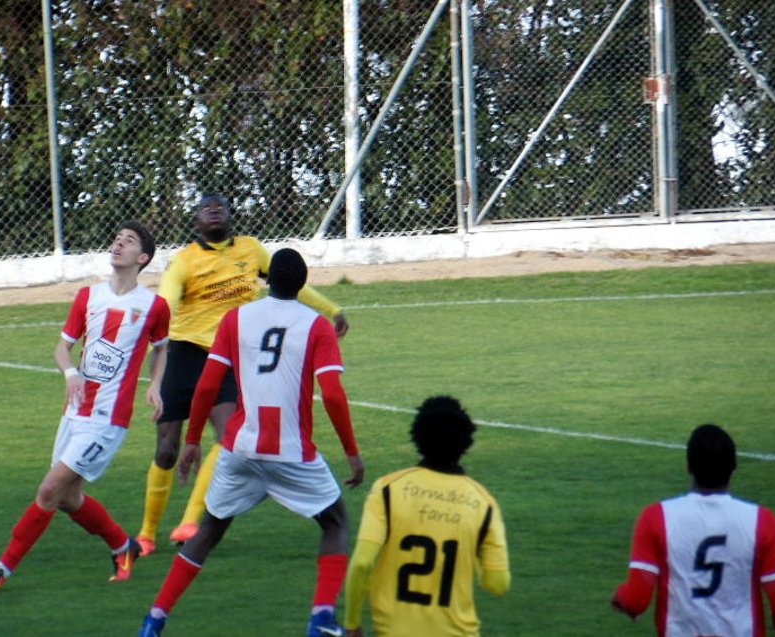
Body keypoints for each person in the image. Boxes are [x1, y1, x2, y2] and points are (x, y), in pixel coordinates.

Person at [138, 248, 364, 637]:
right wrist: (352, 453)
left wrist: (192, 440)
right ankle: (321, 620)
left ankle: (154, 620)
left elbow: (207, 385)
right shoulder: (316, 326)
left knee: (209, 531)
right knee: (336, 522)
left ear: (267, 280)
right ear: (302, 284)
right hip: (292, 453)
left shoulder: (236, 318)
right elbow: (332, 394)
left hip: (241, 448)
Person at [136, 193, 349, 556]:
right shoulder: (184, 261)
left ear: (231, 215)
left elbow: (291, 282)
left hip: (229, 359)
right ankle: (146, 533)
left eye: (220, 206)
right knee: (168, 450)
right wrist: (151, 326)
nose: (214, 211)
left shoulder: (251, 250)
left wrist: (332, 308)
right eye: (206, 208)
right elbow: (167, 301)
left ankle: (190, 522)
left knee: (227, 438)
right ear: (196, 221)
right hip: (184, 355)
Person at [0, 221, 171, 592]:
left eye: (128, 241)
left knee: (48, 491)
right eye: (116, 238)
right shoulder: (87, 296)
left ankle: (1, 570)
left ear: (142, 258)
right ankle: (122, 546)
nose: (118, 243)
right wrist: (70, 373)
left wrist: (156, 385)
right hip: (75, 412)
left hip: (107, 420)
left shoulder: (154, 306)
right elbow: (62, 347)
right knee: (67, 498)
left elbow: (162, 349)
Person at [342, 396, 510, 637]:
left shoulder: (388, 490)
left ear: (418, 436)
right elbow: (497, 584)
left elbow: (361, 564)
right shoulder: (484, 504)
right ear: (466, 441)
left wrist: (352, 624)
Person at [612, 423, 775, 636]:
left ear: (688, 466)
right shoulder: (762, 521)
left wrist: (621, 598)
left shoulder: (656, 517)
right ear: (734, 466)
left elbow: (636, 598)